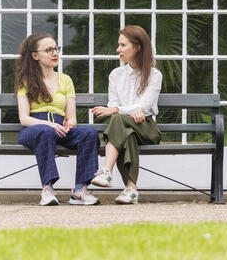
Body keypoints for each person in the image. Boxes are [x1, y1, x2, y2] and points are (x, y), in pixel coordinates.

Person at [15, 32, 100, 205]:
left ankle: (79, 190)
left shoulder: (65, 80)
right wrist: (50, 124)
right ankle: (47, 189)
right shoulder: (26, 81)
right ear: (35, 55)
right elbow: (24, 119)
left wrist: (69, 124)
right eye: (48, 50)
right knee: (45, 132)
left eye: (56, 48)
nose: (55, 53)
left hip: (60, 127)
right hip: (34, 128)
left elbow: (72, 117)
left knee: (89, 134)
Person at [89, 25, 162, 204]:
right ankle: (131, 189)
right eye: (118, 45)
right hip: (126, 127)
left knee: (118, 118)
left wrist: (119, 110)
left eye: (123, 45)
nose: (118, 49)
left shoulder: (154, 75)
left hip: (147, 128)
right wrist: (124, 110)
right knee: (126, 133)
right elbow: (113, 103)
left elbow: (144, 106)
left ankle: (106, 169)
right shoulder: (115, 74)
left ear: (137, 47)